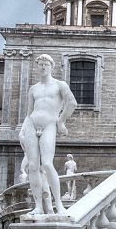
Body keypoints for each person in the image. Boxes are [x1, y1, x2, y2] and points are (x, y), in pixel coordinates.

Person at [19, 54, 78, 217]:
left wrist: (61, 121)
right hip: (32, 124)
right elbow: (29, 112)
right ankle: (38, 206)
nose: (43, 67)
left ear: (52, 66)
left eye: (46, 64)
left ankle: (59, 204)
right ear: (37, 67)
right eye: (41, 64)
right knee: (32, 166)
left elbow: (72, 102)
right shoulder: (33, 89)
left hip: (49, 123)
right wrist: (22, 130)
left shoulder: (59, 85)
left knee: (46, 163)